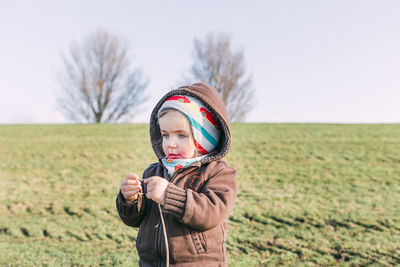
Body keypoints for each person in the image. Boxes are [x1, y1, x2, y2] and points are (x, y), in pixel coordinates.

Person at [116, 82, 237, 266]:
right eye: (165, 135)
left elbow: (212, 212)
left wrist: (168, 195)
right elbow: (134, 220)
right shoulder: (154, 171)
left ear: (204, 139)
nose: (170, 143)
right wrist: (130, 199)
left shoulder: (218, 172)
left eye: (181, 135)